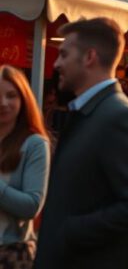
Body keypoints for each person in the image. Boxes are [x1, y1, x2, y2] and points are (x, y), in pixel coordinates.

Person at [35, 17, 128, 268]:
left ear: (89, 57)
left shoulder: (120, 118)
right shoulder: (91, 112)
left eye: (63, 54)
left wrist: (69, 230)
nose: (57, 63)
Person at [0, 66, 49, 265]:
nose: (3, 103)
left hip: (10, 253)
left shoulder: (34, 143)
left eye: (11, 95)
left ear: (23, 99)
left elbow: (31, 206)